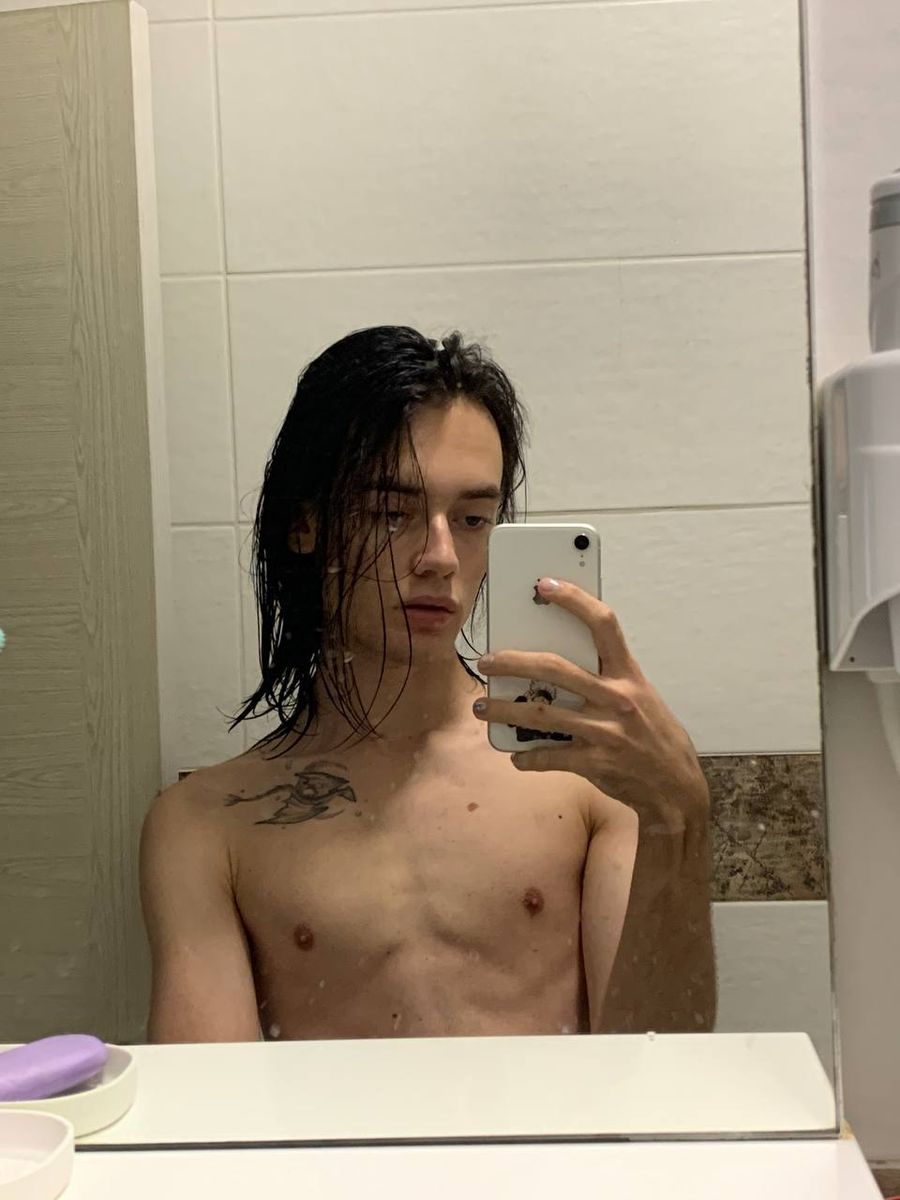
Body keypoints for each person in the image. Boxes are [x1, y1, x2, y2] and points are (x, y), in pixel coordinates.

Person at [140, 326, 716, 1042]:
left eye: (472, 519)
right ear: (304, 526)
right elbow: (210, 1103)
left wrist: (679, 816)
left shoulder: (587, 782)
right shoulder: (207, 826)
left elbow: (659, 1062)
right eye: (390, 514)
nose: (440, 556)